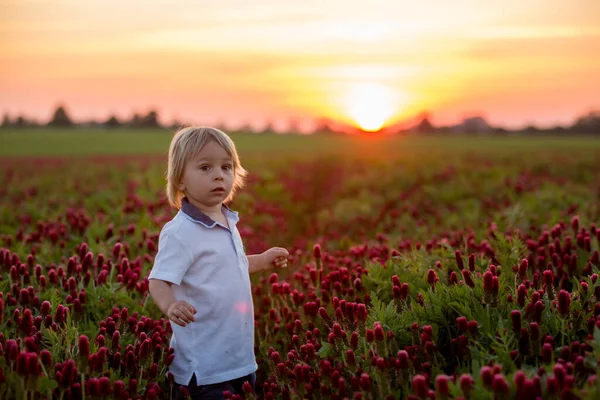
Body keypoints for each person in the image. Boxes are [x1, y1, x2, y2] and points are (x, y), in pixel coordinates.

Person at [148, 126, 289, 399]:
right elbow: (158, 280)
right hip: (203, 367)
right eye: (205, 167)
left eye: (226, 167)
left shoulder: (227, 220)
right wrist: (170, 304)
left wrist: (262, 260)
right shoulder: (181, 232)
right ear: (180, 180)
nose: (218, 175)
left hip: (238, 357)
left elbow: (230, 265)